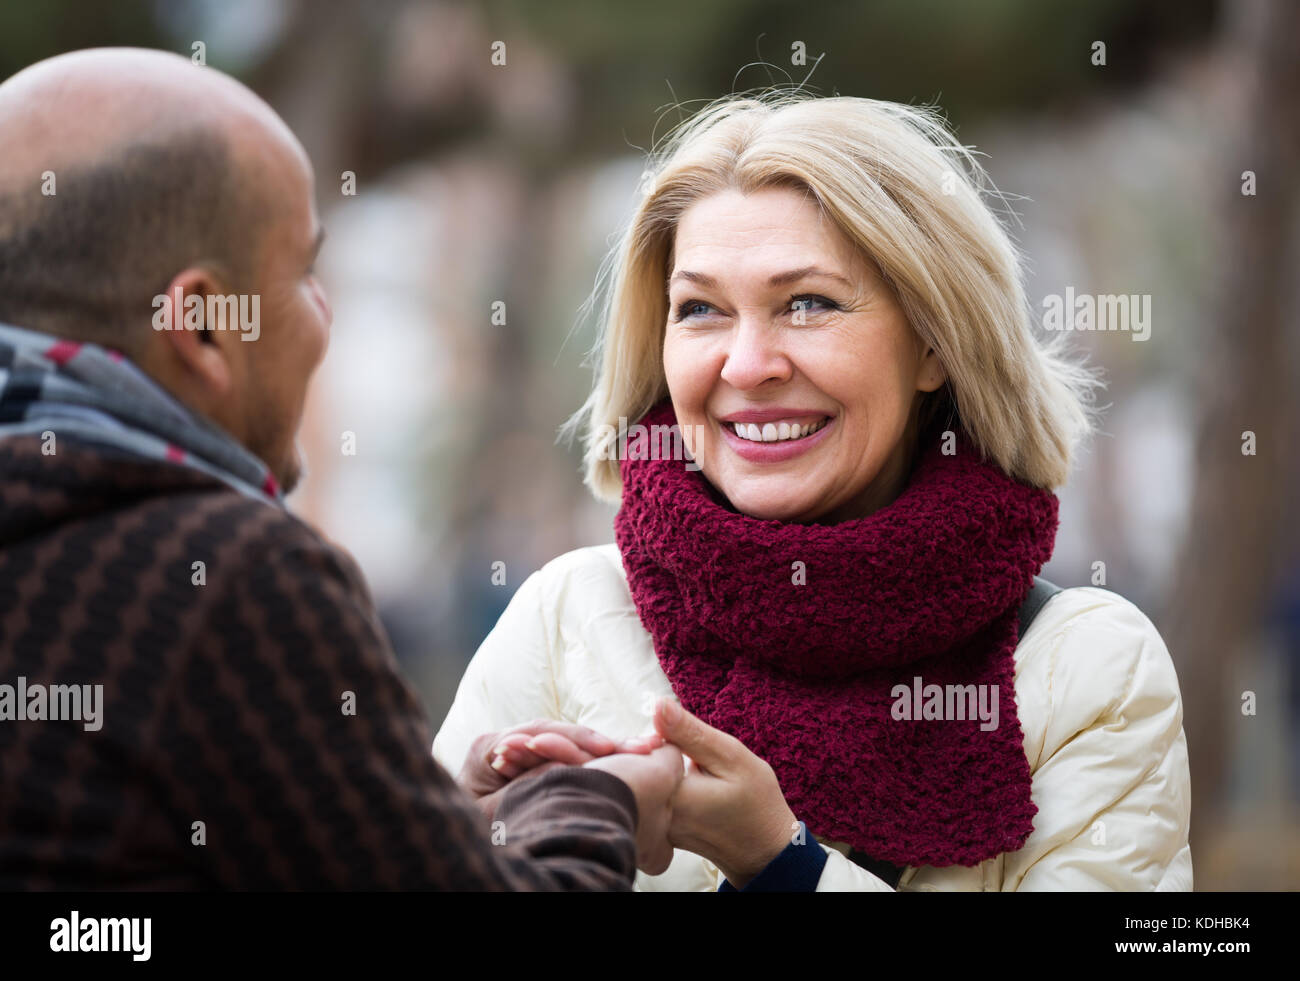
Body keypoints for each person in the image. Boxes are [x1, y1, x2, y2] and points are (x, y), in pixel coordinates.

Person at [434, 92, 1194, 891]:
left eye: (808, 304)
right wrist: (453, 839)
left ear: (935, 343)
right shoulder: (564, 617)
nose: (748, 363)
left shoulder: (1090, 666)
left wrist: (781, 863)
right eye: (700, 310)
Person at [0, 46, 684, 890]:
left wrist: (429, 820)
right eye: (305, 274)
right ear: (206, 325)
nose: (326, 319)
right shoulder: (224, 577)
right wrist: (596, 802)